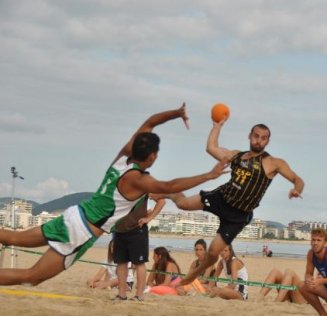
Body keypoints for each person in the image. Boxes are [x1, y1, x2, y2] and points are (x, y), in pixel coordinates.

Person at [0, 104, 228, 287]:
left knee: (12, 237)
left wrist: (176, 113)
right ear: (152, 157)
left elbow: (150, 122)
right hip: (80, 232)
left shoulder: (123, 157)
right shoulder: (138, 180)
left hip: (73, 216)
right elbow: (169, 185)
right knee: (32, 276)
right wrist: (209, 175)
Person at [159, 117, 304, 288]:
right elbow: (211, 148)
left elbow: (297, 179)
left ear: (268, 141)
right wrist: (217, 126)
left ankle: (193, 275)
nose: (258, 140)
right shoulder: (237, 155)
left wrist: (296, 190)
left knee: (213, 252)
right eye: (256, 136)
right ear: (249, 136)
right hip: (221, 197)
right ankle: (169, 193)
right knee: (182, 204)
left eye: (263, 138)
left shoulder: (273, 163)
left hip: (238, 215)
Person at [112, 194, 165, 302]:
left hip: (137, 230)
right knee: (121, 263)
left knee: (139, 263)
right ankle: (121, 294)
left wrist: (149, 218)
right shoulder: (118, 188)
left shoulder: (143, 187)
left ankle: (139, 295)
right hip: (119, 229)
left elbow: (161, 201)